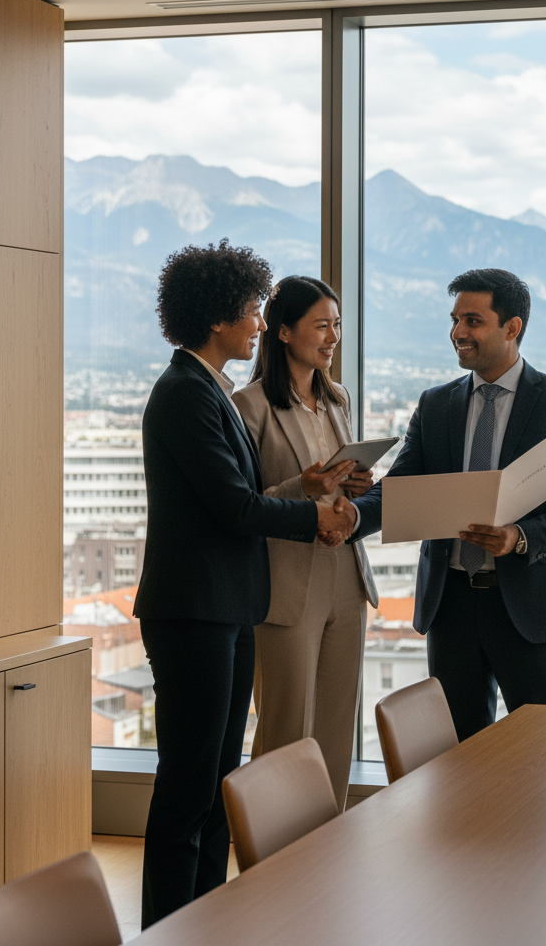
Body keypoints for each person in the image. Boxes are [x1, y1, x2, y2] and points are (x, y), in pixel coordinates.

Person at [135, 241, 354, 929]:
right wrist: (314, 513)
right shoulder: (183, 394)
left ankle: (210, 919)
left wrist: (308, 489)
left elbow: (240, 496)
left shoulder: (209, 389)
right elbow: (235, 506)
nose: (259, 323)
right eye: (253, 310)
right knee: (187, 789)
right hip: (194, 612)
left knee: (217, 782)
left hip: (226, 607)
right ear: (216, 316)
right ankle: (170, 926)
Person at [352, 268, 546, 741]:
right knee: (456, 757)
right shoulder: (435, 405)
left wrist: (521, 536)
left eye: (472, 320)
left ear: (512, 328)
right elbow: (400, 487)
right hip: (450, 606)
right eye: (454, 320)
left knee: (543, 752)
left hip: (532, 607)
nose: (457, 333)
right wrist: (350, 518)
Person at [232, 276, 378, 809]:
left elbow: (339, 482)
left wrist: (355, 484)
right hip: (286, 579)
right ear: (285, 332)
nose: (333, 337)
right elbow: (245, 503)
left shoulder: (336, 398)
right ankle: (270, 861)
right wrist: (305, 488)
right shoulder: (249, 407)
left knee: (337, 724)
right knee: (286, 728)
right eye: (322, 326)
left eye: (337, 325)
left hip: (344, 572)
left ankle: (327, 850)